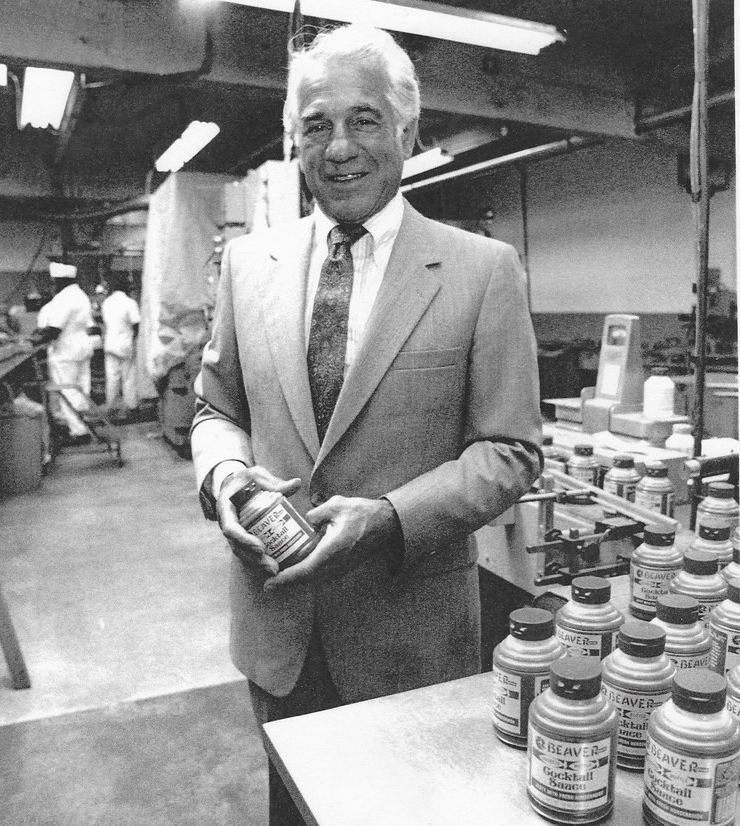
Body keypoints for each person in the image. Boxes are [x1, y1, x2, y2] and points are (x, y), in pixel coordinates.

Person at [190, 24, 542, 825]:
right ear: (294, 140)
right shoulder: (250, 266)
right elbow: (217, 409)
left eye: (364, 120)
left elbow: (511, 450)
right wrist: (223, 476)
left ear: (408, 133)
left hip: (407, 635)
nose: (338, 146)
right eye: (316, 125)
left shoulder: (481, 270)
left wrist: (387, 518)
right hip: (276, 626)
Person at [34, 262, 93, 444]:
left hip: (66, 351)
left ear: (59, 281)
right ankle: (84, 421)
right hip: (82, 348)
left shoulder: (64, 299)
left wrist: (33, 341)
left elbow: (54, 330)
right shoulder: (81, 296)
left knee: (67, 390)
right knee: (81, 387)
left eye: (54, 282)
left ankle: (78, 431)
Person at [101, 275, 140, 420]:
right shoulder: (130, 303)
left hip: (110, 345)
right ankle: (131, 406)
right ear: (127, 290)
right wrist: (134, 338)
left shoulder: (106, 303)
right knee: (128, 377)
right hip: (124, 345)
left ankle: (110, 407)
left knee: (112, 377)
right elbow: (136, 323)